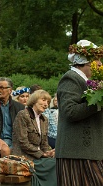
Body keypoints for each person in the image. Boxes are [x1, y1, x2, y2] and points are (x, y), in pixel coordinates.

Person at [56, 39, 103, 185]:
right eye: (97, 60)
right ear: (87, 62)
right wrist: (98, 103)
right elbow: (70, 111)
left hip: (89, 151)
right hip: (76, 152)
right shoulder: (71, 78)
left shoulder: (89, 81)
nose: (101, 64)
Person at [12, 89, 56, 186]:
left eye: (48, 102)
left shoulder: (44, 119)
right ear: (34, 100)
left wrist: (49, 152)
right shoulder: (23, 115)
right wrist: (42, 154)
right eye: (43, 100)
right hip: (24, 157)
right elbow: (23, 143)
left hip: (37, 157)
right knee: (54, 165)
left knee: (57, 162)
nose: (46, 104)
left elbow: (44, 143)